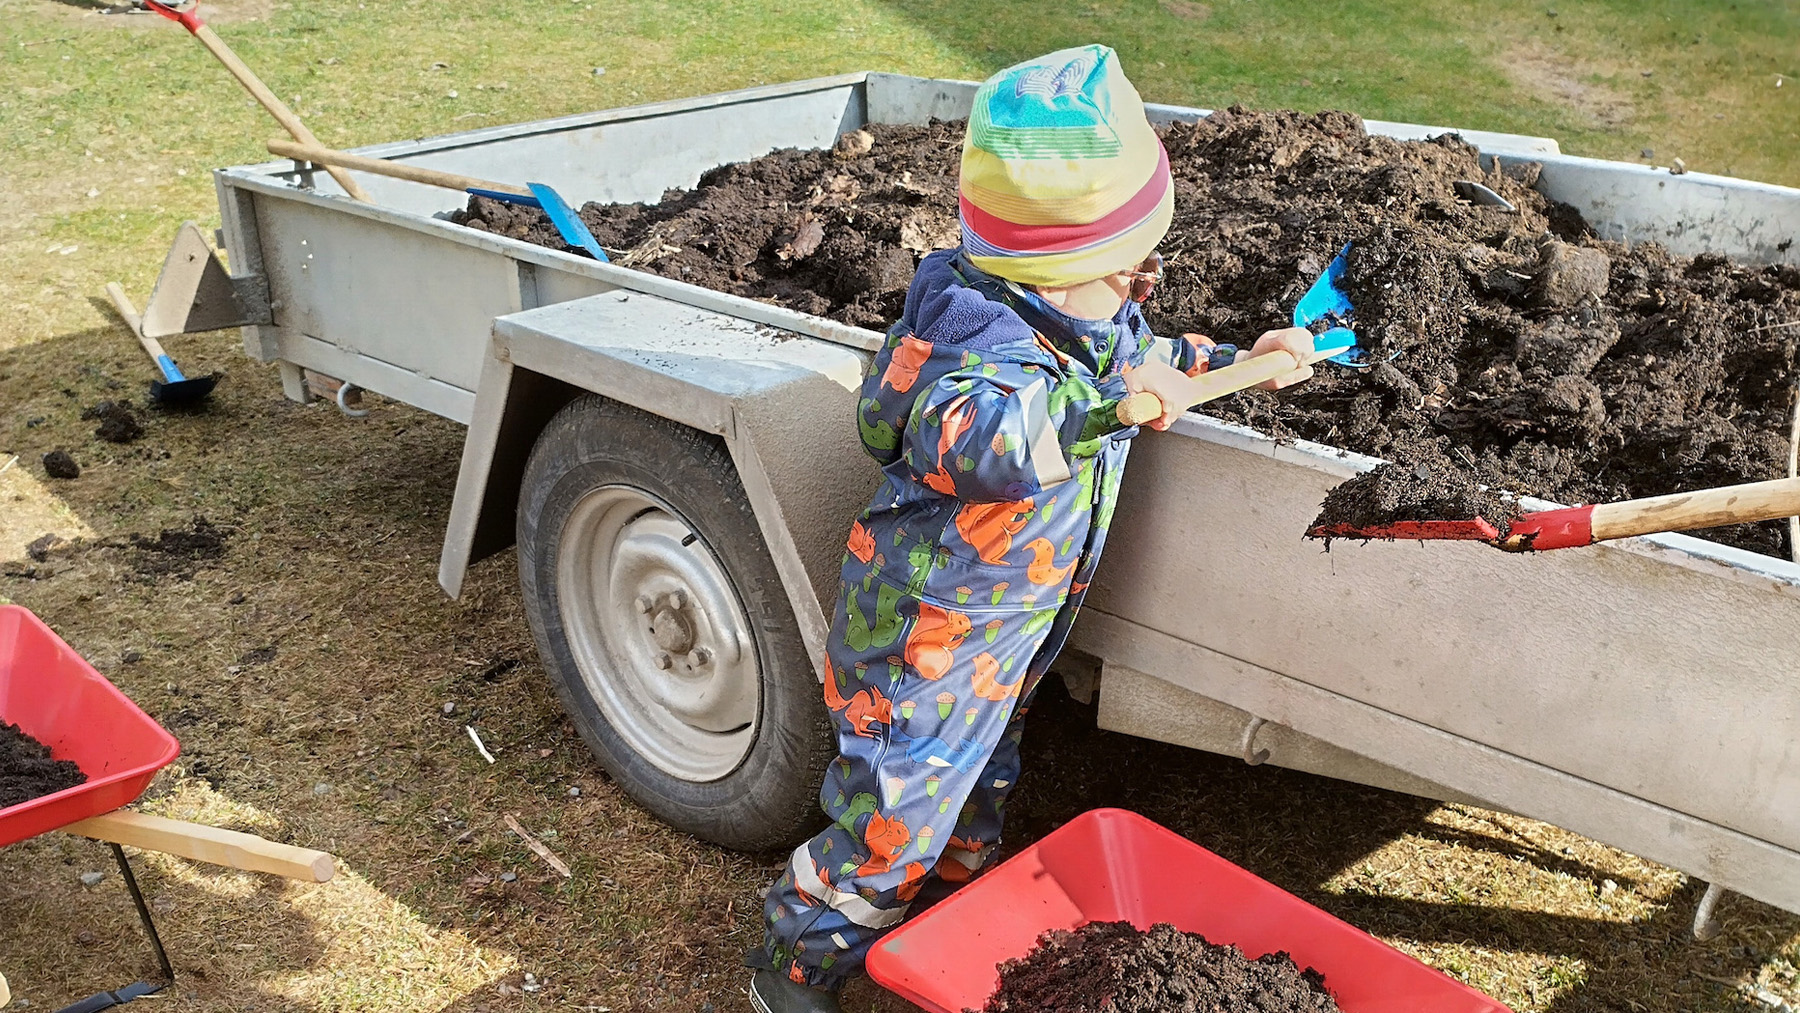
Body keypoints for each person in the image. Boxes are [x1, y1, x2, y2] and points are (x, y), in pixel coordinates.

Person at [747, 44, 1315, 1013]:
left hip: (1006, 624)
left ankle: (954, 908)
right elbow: (976, 438)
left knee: (980, 778)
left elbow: (1149, 353)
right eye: (1130, 267)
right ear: (1068, 264)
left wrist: (1239, 356)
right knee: (892, 819)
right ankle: (796, 963)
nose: (1143, 284)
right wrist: (1111, 407)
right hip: (926, 634)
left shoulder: (1080, 310)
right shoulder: (977, 344)